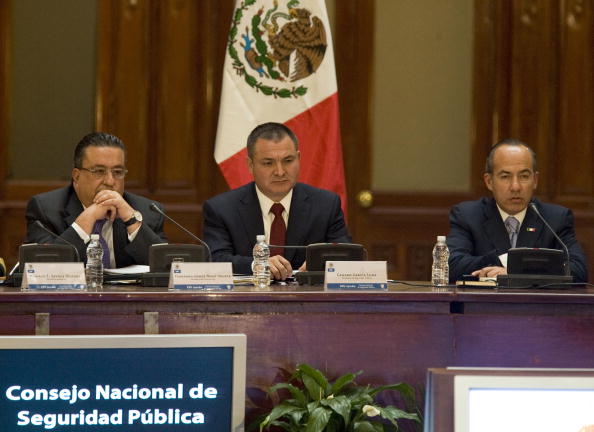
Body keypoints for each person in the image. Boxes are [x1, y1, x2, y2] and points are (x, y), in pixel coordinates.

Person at [203, 122, 351, 279]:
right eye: (268, 163)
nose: (280, 172)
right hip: (247, 300)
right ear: (250, 165)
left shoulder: (326, 205)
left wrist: (323, 263)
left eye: (288, 161)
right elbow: (215, 260)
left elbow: (346, 254)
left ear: (299, 158)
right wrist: (257, 265)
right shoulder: (221, 209)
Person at [447, 138, 587, 282]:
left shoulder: (556, 218)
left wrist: (513, 273)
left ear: (535, 180)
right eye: (505, 176)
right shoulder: (468, 215)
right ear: (489, 181)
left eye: (524, 176)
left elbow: (578, 269)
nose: (515, 187)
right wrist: (509, 262)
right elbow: (451, 266)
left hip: (537, 304)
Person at [25, 132, 167, 267]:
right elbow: (42, 270)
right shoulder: (46, 210)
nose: (110, 181)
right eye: (99, 171)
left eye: (118, 172)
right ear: (76, 176)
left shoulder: (148, 211)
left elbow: (167, 269)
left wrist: (131, 220)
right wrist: (87, 218)